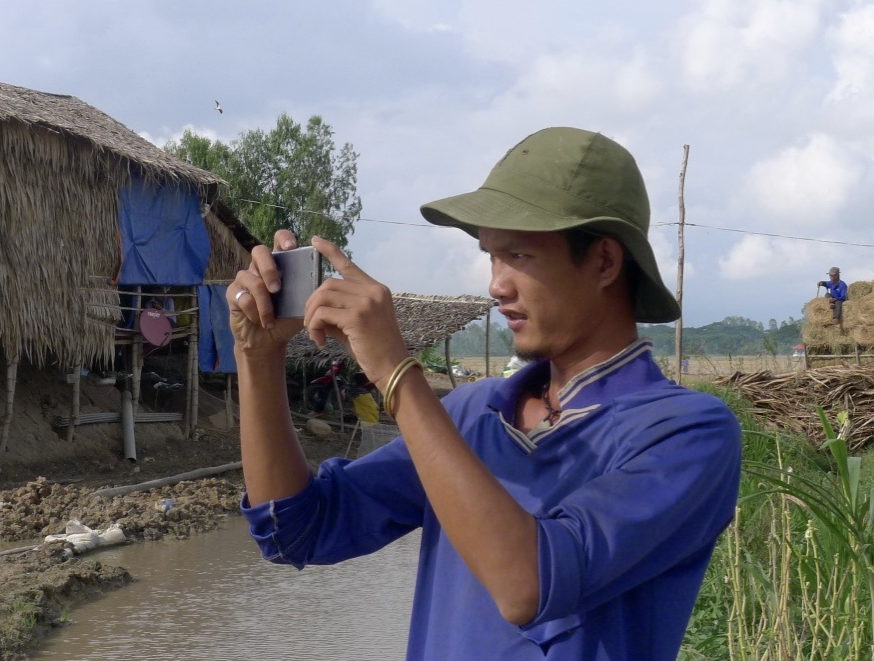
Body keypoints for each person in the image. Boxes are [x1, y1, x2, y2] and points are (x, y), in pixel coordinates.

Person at [227, 127, 742, 660]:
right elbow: (299, 531)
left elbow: (530, 585)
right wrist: (258, 357)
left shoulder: (687, 433)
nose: (496, 284)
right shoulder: (473, 413)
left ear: (605, 262)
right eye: (491, 256)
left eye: (518, 254)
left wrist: (396, 371)